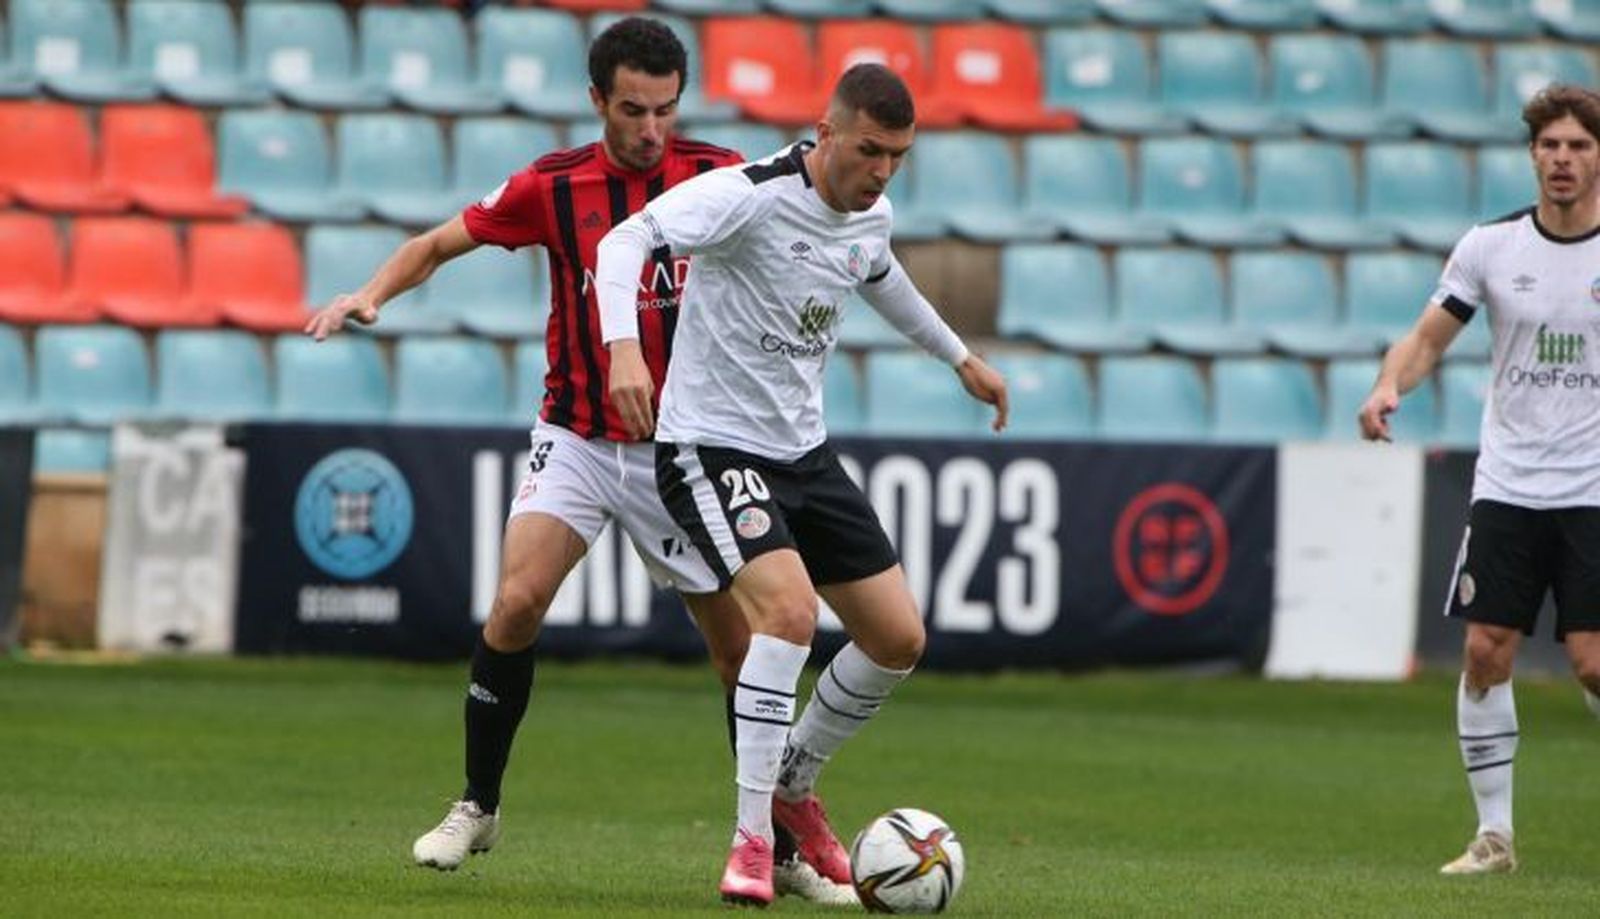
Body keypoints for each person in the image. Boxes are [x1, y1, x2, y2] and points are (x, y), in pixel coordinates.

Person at [302, 18, 851, 903]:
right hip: (580, 440)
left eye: (666, 110)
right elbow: (440, 243)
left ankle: (777, 840)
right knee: (517, 599)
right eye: (633, 109)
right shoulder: (552, 188)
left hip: (687, 449)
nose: (650, 129)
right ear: (597, 99)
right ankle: (477, 803)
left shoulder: (719, 178)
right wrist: (367, 295)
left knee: (743, 652)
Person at [597, 63, 1009, 905]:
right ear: (828, 133)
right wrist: (625, 348)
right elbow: (622, 241)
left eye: (898, 155)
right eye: (869, 150)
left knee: (898, 638)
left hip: (804, 456)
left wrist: (959, 357)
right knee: (786, 614)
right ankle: (754, 838)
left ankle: (793, 777)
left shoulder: (872, 214)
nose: (883, 171)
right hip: (710, 448)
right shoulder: (747, 196)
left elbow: (880, 273)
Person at [1357, 84, 1600, 876]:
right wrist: (1391, 384)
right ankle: (1494, 836)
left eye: (1580, 146)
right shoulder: (1489, 247)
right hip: (1508, 485)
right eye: (1551, 146)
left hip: (1594, 488)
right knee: (1486, 650)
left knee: (1594, 661)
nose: (1563, 160)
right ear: (1532, 155)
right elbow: (1425, 340)